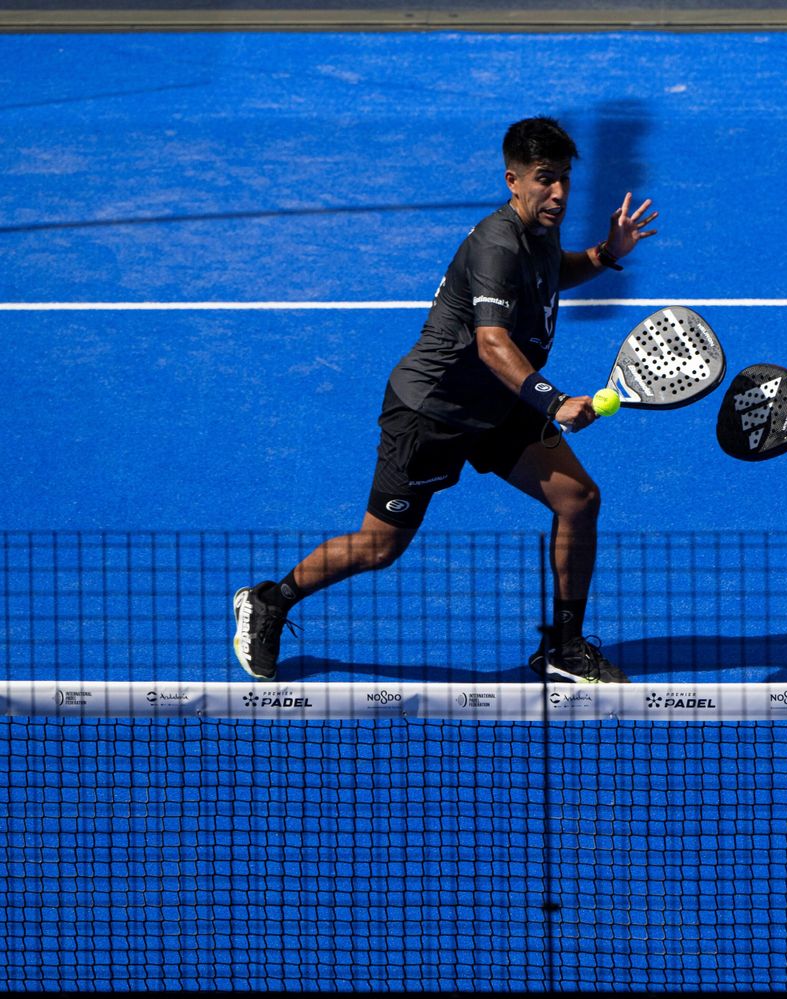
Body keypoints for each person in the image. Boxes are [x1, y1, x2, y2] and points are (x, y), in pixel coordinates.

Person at [232, 117, 656, 684]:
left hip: (500, 404)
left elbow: (552, 273)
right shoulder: (496, 245)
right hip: (431, 412)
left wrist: (605, 253)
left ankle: (564, 647)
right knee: (380, 547)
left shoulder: (542, 228)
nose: (557, 193)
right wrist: (553, 402)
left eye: (564, 181)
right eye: (544, 179)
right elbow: (491, 343)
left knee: (578, 499)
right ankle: (270, 599)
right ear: (513, 180)